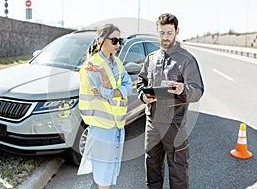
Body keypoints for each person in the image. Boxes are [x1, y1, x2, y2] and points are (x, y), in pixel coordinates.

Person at [137, 13, 204, 189]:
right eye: (162, 33)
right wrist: (142, 96)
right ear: (157, 32)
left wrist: (183, 90)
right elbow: (140, 81)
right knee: (152, 168)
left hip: (175, 126)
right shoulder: (151, 58)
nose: (165, 37)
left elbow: (197, 91)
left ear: (176, 31)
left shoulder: (187, 60)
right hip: (152, 123)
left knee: (178, 171)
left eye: (169, 33)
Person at [77, 24, 132, 189]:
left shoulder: (118, 63)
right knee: (103, 176)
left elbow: (129, 86)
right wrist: (105, 78)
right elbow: (104, 93)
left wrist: (115, 91)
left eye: (120, 41)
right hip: (102, 126)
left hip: (116, 125)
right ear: (101, 40)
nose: (118, 45)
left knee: (110, 172)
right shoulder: (93, 65)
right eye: (114, 40)